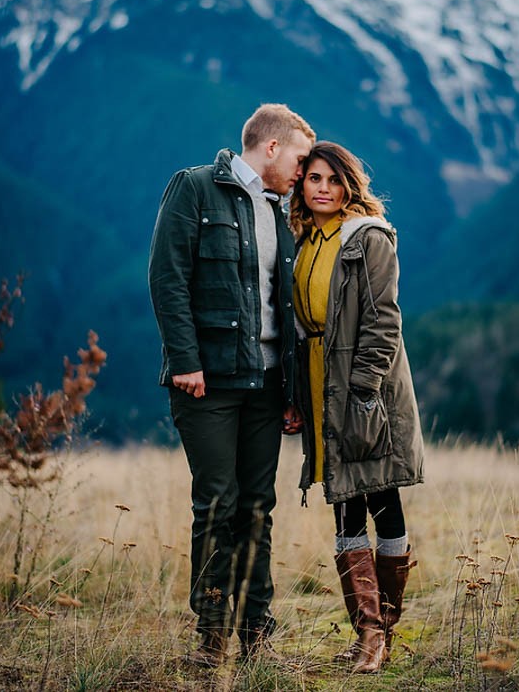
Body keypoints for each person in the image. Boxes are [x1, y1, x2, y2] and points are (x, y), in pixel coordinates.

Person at [149, 104, 315, 666]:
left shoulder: (280, 210)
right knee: (217, 502)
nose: (303, 169)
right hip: (207, 382)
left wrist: (291, 394)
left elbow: (282, 306)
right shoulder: (194, 188)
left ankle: (256, 629)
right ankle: (212, 634)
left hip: (267, 385)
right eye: (298, 158)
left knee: (258, 506)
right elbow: (167, 278)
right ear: (271, 148)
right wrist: (185, 360)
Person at [290, 141, 424, 674]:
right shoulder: (303, 240)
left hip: (363, 385)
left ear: (349, 185)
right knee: (344, 499)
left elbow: (384, 321)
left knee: (380, 497)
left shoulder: (367, 238)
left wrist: (364, 389)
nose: (322, 188)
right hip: (323, 381)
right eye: (313, 178)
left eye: (332, 179)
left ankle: (379, 631)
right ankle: (367, 633)